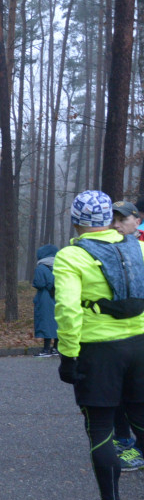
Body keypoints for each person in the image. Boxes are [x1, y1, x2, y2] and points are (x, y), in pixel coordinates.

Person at [53, 190, 144, 500]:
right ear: (109, 218)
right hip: (140, 345)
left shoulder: (71, 256)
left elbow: (67, 310)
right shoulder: (138, 247)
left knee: (102, 429)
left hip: (100, 352)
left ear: (76, 221)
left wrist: (68, 356)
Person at [104, 201, 144, 472]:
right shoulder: (106, 250)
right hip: (114, 337)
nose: (117, 225)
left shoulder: (140, 248)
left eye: (123, 219)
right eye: (113, 220)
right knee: (118, 394)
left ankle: (137, 447)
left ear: (136, 220)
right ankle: (123, 441)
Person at [32, 245, 59, 357]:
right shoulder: (59, 267)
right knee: (57, 323)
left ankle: (45, 349)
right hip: (57, 297)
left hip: (44, 298)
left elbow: (39, 283)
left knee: (45, 322)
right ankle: (56, 348)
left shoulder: (40, 268)